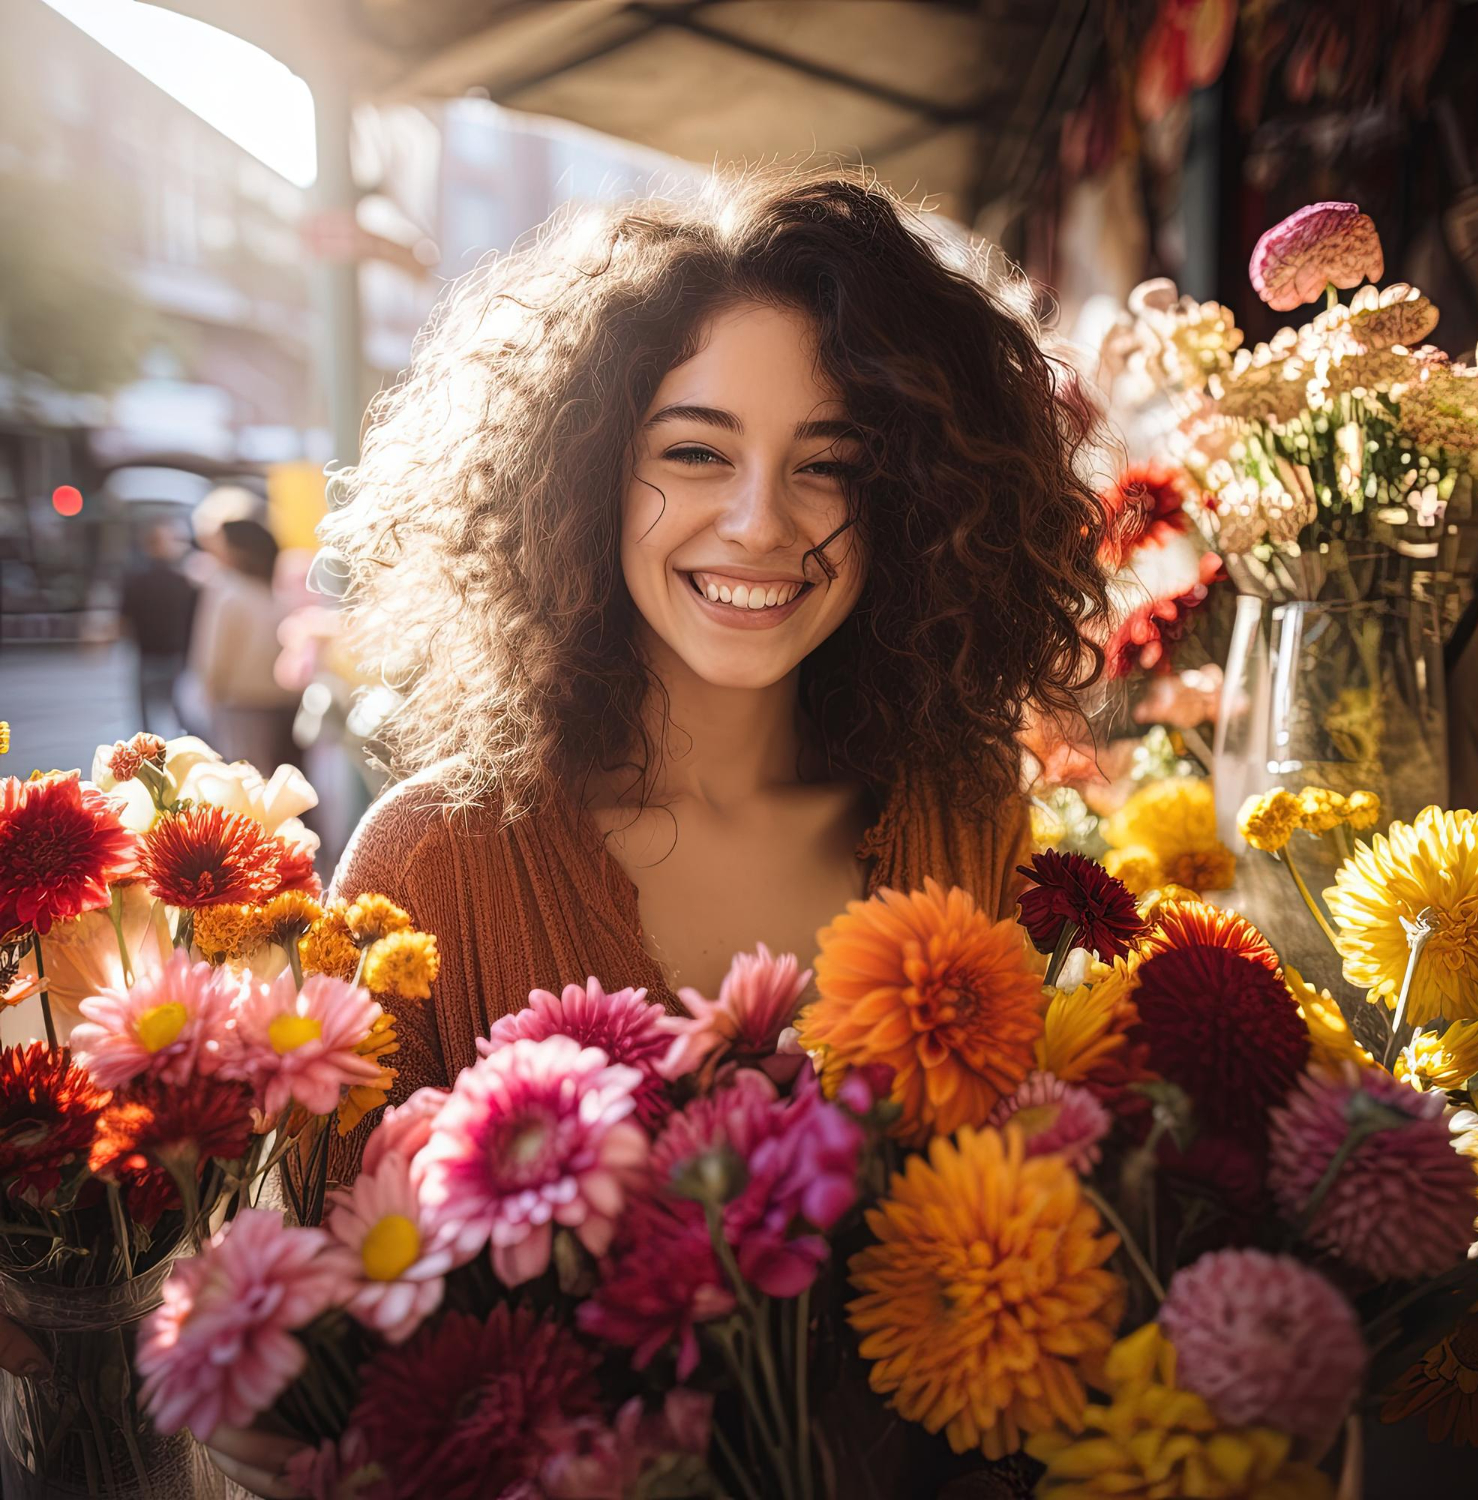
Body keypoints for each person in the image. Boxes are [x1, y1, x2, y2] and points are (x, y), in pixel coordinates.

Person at [208, 165, 1108, 1496]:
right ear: (578, 479)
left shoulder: (968, 810)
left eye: (833, 464)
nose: (762, 522)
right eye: (695, 452)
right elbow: (319, 1369)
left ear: (917, 501)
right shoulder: (428, 865)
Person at [186, 516, 302, 775]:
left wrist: (210, 692)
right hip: (280, 701)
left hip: (239, 703)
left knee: (245, 780)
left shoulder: (227, 591)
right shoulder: (274, 591)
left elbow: (214, 657)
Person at [117, 519, 197, 735]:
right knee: (183, 717)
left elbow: (123, 622)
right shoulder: (186, 580)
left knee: (150, 721)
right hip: (173, 657)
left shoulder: (136, 579)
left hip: (154, 657)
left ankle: (151, 762)